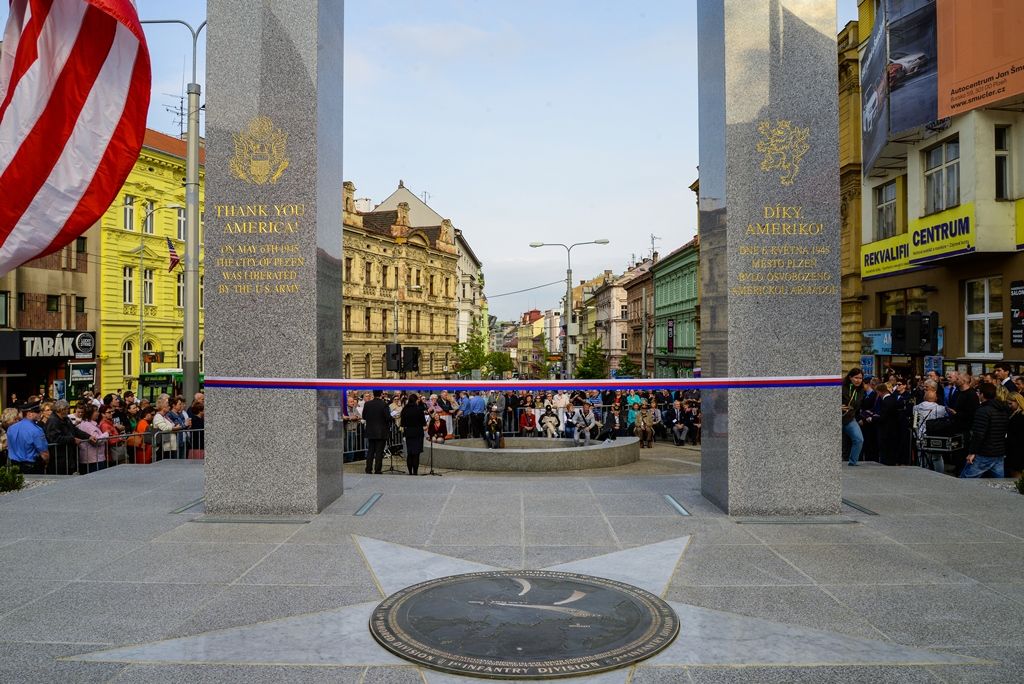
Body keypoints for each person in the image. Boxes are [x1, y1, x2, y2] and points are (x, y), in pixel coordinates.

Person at [961, 383, 1009, 479]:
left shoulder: (983, 410)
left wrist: (972, 452)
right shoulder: (1003, 409)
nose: (977, 395)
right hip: (998, 452)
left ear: (982, 394)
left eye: (978, 392)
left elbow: (978, 434)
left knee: (965, 480)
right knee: (999, 483)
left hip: (984, 452)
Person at [6, 402, 49, 474]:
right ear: (29, 413)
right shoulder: (36, 430)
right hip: (31, 468)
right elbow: (44, 454)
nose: (40, 414)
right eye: (37, 412)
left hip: (14, 466)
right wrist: (46, 463)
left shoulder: (11, 428)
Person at [913, 385, 948, 473]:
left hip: (920, 434)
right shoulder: (940, 409)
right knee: (937, 457)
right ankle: (940, 474)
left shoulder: (916, 407)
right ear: (935, 398)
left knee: (921, 455)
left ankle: (923, 472)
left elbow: (915, 421)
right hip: (933, 435)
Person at [362, 390, 391, 474]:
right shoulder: (384, 404)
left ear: (373, 394)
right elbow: (388, 417)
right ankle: (377, 469)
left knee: (370, 450)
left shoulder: (367, 404)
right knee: (379, 451)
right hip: (381, 431)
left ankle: (368, 469)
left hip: (370, 430)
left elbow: (364, 416)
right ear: (381, 394)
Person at [842, 368, 865, 466]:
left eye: (860, 378)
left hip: (849, 419)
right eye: (856, 377)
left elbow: (857, 405)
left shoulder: (861, 390)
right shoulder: (841, 386)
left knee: (859, 439)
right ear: (850, 377)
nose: (858, 380)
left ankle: (853, 461)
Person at [77, 405, 108, 474]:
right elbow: (96, 441)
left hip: (93, 458)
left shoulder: (88, 423)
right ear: (90, 413)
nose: (98, 413)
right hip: (93, 459)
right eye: (96, 411)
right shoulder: (88, 425)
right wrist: (106, 434)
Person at [399, 393, 426, 475]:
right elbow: (424, 422)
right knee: (416, 453)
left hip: (409, 432)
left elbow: (402, 423)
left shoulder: (405, 409)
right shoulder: (419, 409)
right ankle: (415, 472)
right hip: (418, 432)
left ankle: (410, 471)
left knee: (410, 453)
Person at [1005, 393, 1024, 479]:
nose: (1009, 406)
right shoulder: (1017, 414)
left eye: (1010, 403)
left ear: (1018, 402)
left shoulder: (1019, 416)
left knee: (1016, 476)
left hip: (1017, 451)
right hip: (1016, 449)